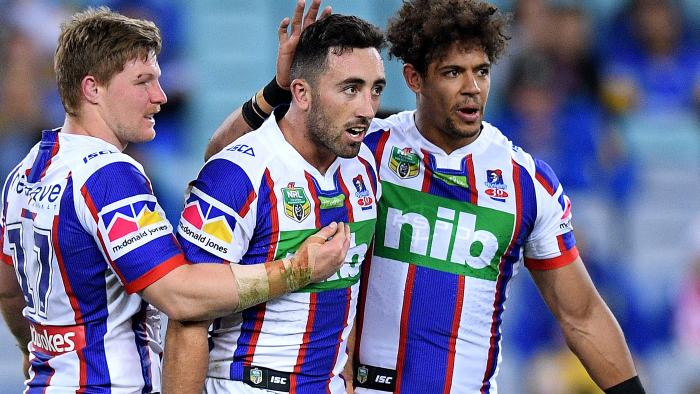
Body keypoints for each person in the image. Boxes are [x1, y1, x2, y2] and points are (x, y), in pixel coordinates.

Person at [206, 0, 646, 393]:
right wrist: (278, 92)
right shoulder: (365, 147)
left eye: (482, 71)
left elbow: (582, 315)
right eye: (453, 72)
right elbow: (224, 164)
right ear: (414, 78)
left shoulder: (525, 181)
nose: (472, 86)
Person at [0, 7, 350, 392]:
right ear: (91, 88)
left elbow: (8, 289)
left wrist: (32, 348)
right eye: (143, 81)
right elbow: (181, 296)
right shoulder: (107, 174)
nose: (160, 96)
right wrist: (297, 270)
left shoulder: (27, 169)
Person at [162, 9, 385, 394]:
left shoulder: (365, 163)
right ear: (301, 93)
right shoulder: (239, 175)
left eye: (376, 89)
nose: (367, 108)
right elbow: (187, 318)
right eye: (350, 88)